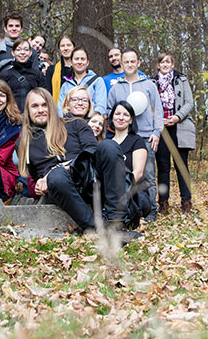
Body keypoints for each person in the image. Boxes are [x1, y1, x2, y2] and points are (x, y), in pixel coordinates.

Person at [17, 88, 141, 240]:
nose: (41, 110)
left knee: (109, 145)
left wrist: (64, 166)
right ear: (28, 110)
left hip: (88, 179)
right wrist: (39, 184)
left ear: (51, 106)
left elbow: (93, 150)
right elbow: (37, 175)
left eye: (44, 105)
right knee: (56, 176)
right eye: (35, 106)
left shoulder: (75, 124)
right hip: (61, 188)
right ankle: (98, 230)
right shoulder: (25, 143)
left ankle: (116, 224)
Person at [108, 48, 163, 222]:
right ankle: (125, 210)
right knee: (124, 175)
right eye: (126, 62)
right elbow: (110, 111)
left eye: (133, 61)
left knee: (147, 176)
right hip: (123, 138)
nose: (130, 64)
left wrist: (156, 132)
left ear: (138, 63)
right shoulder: (116, 89)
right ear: (121, 64)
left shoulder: (149, 85)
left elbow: (158, 110)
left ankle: (151, 211)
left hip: (146, 137)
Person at [153, 53, 196, 214]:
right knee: (163, 166)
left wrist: (177, 117)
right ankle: (163, 203)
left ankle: (186, 201)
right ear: (158, 65)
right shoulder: (152, 82)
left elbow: (189, 102)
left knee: (181, 165)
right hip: (161, 128)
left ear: (172, 64)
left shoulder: (182, 80)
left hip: (180, 126)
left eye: (168, 62)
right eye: (162, 62)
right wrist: (159, 120)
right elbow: (149, 104)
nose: (165, 64)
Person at [109, 101, 151, 227]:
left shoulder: (137, 141)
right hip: (110, 194)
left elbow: (138, 173)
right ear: (112, 118)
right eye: (117, 114)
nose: (121, 118)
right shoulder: (106, 143)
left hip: (134, 193)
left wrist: (119, 192)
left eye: (125, 115)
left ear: (131, 120)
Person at [0, 12, 39, 82]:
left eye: (17, 26)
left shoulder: (30, 51)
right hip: (3, 90)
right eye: (10, 26)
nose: (14, 29)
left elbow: (36, 77)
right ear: (5, 28)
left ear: (21, 29)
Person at [0, 38, 47, 112]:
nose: (22, 52)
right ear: (13, 53)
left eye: (26, 50)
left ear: (30, 53)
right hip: (11, 116)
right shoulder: (5, 75)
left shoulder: (37, 74)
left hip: (32, 116)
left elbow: (44, 96)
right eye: (18, 49)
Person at [57, 47, 107, 116]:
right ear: (71, 62)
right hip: (69, 123)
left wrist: (92, 120)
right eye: (76, 59)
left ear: (87, 62)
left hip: (91, 122)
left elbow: (101, 106)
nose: (79, 62)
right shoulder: (66, 85)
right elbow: (60, 108)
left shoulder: (97, 81)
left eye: (82, 59)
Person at [45, 35, 75, 105]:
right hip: (57, 111)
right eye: (62, 46)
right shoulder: (51, 70)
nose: (66, 48)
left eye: (68, 45)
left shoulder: (80, 70)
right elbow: (48, 94)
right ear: (59, 50)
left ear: (74, 48)